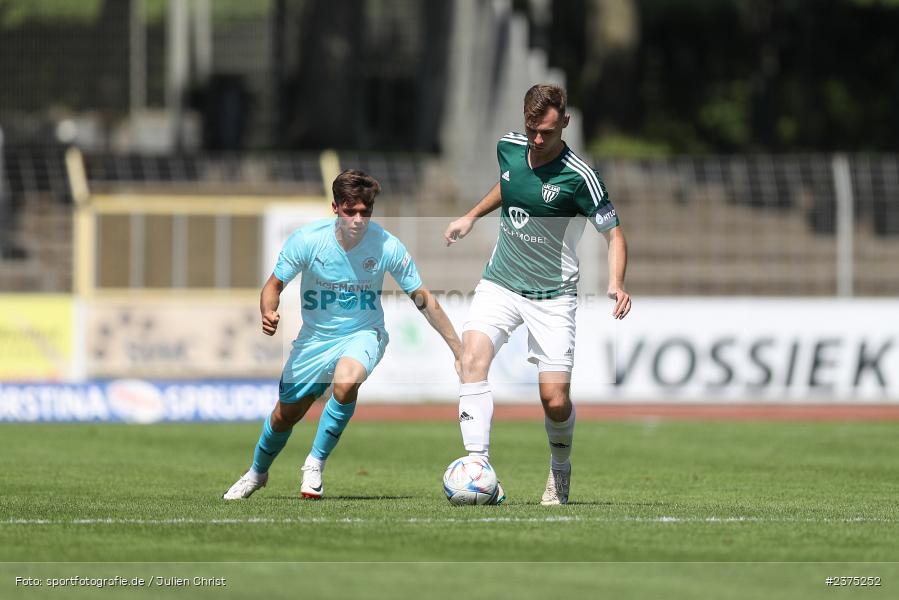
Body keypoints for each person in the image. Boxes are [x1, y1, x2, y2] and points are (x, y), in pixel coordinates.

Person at [444, 84, 631, 506]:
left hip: (553, 296)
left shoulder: (581, 177)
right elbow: (509, 185)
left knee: (554, 398)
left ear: (565, 122)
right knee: (470, 360)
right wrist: (472, 215)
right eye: (532, 130)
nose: (538, 140)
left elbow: (614, 234)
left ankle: (560, 471)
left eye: (547, 131)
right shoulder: (509, 147)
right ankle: (479, 467)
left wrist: (616, 282)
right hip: (501, 282)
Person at [224, 169, 462, 500]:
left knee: (347, 380)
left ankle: (315, 463)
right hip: (314, 341)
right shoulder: (307, 240)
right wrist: (268, 310)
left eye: (366, 212)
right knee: (284, 416)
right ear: (335, 208)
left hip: (364, 332)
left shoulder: (387, 246)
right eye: (351, 211)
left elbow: (424, 299)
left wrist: (458, 350)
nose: (359, 219)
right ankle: (256, 473)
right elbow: (273, 285)